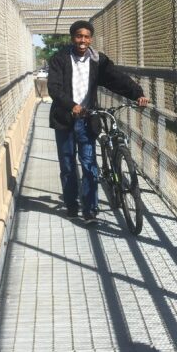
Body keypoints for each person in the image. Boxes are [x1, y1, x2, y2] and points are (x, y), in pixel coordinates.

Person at [47, 20, 150, 223]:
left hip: (87, 119)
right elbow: (54, 88)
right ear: (72, 37)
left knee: (89, 164)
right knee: (67, 165)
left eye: (86, 36)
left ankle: (90, 210)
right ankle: (71, 205)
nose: (82, 40)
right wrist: (71, 106)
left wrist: (137, 94)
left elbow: (116, 78)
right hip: (65, 119)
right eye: (78, 36)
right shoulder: (59, 59)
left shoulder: (97, 60)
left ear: (91, 39)